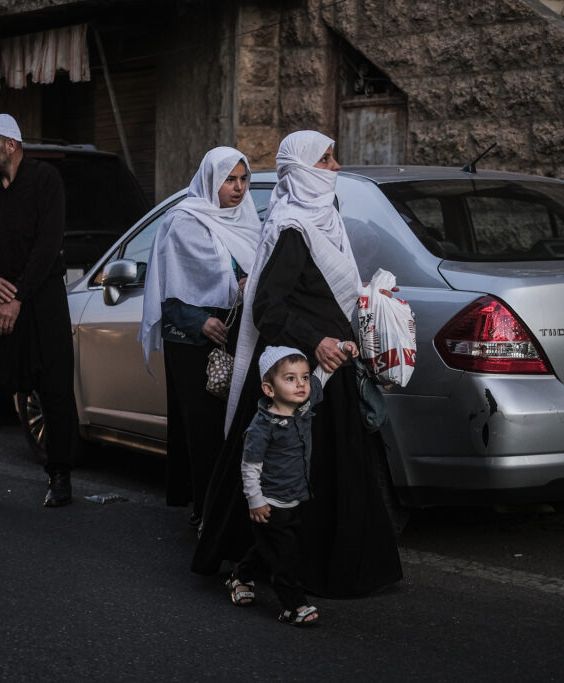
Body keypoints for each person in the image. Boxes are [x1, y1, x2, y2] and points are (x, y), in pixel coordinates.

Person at [193, 131, 403, 597]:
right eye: (325, 159)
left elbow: (326, 292)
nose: (334, 165)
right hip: (300, 372)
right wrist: (316, 339)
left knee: (334, 470)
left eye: (332, 157)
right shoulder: (290, 228)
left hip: (333, 368)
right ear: (301, 169)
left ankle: (332, 564)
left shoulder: (327, 218)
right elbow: (269, 307)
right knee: (290, 471)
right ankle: (273, 566)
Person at [0, 113, 77, 509]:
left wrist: (18, 297)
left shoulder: (45, 181)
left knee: (56, 388)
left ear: (10, 144)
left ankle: (59, 477)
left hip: (40, 300)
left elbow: (48, 245)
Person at [139, 147, 263, 529]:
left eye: (243, 179)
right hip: (193, 344)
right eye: (230, 179)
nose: (238, 188)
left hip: (239, 337)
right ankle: (204, 510)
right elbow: (167, 292)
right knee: (204, 429)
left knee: (237, 429)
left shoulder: (249, 220)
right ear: (211, 180)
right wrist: (199, 321)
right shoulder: (182, 222)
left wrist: (249, 283)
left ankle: (229, 509)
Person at [228, 345, 354, 627]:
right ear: (269, 389)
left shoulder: (304, 407)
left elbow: (325, 373)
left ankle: (240, 575)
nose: (301, 384)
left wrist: (343, 349)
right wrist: (255, 500)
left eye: (304, 377)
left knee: (268, 549)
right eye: (290, 378)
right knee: (285, 557)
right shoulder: (263, 426)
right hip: (269, 504)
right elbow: (250, 466)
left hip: (295, 498)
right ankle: (293, 606)